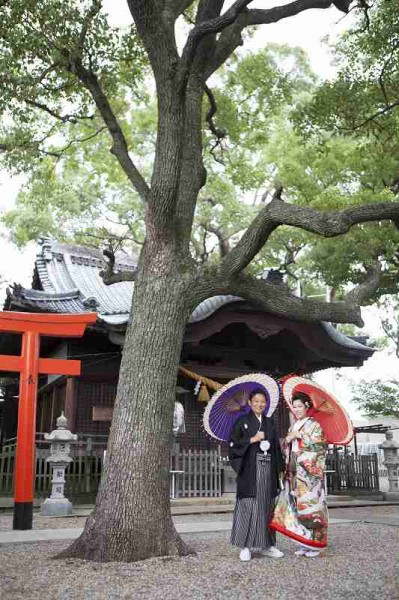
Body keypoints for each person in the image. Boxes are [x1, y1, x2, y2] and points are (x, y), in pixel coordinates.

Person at [228, 388, 284, 562]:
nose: (260, 404)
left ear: (266, 404)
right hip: (250, 470)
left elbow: (275, 447)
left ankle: (267, 545)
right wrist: (251, 439)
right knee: (248, 505)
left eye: (263, 401)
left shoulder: (270, 422)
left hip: (268, 470)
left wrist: (279, 471)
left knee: (267, 507)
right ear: (250, 403)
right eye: (256, 401)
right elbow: (232, 444)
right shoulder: (242, 421)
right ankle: (245, 547)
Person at [271, 392, 328, 557]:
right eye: (294, 407)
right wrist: (288, 441)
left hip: (308, 475)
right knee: (297, 507)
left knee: (311, 507)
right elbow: (289, 447)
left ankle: (316, 544)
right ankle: (304, 542)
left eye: (299, 406)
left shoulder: (314, 425)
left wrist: (300, 435)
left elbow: (320, 445)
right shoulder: (293, 425)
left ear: (307, 407)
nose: (296, 410)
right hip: (295, 471)